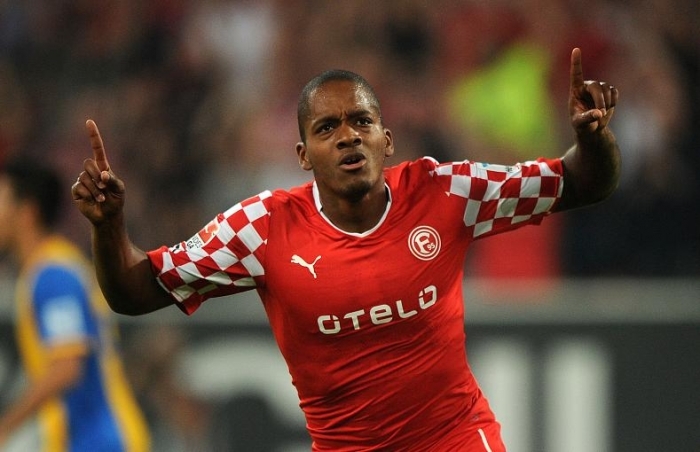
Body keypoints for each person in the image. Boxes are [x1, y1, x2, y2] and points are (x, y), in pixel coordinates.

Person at [71, 48, 620, 451]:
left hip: (456, 438)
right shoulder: (261, 228)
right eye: (327, 127)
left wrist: (593, 137)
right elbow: (135, 292)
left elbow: (581, 182)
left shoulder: (445, 191)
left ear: (386, 140)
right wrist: (109, 225)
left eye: (361, 121)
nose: (348, 135)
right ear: (303, 155)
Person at [0, 161, 151, 451]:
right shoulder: (49, 268)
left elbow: (67, 366)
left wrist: (6, 425)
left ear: (27, 212)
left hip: (99, 442)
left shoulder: (53, 275)